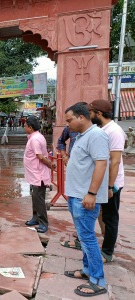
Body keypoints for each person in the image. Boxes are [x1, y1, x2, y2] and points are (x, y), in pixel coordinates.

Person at [64, 102, 109, 297]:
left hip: (85, 198)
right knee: (83, 237)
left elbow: (101, 164)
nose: (68, 124)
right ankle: (87, 270)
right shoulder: (82, 136)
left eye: (69, 120)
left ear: (81, 117)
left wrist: (92, 193)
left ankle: (98, 280)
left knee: (88, 238)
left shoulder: (96, 135)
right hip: (76, 195)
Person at [88, 99, 126, 263]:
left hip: (112, 183)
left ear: (99, 113)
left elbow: (115, 161)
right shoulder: (101, 129)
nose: (88, 115)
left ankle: (107, 252)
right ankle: (106, 241)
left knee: (110, 218)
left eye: (91, 112)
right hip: (102, 181)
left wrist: (111, 186)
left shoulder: (114, 131)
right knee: (101, 214)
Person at [23, 116, 54, 233]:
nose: (24, 127)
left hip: (38, 174)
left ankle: (43, 223)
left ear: (30, 127)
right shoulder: (34, 137)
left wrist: (50, 164)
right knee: (35, 197)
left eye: (25, 126)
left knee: (39, 198)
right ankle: (35, 218)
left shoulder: (35, 139)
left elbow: (40, 156)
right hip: (34, 174)